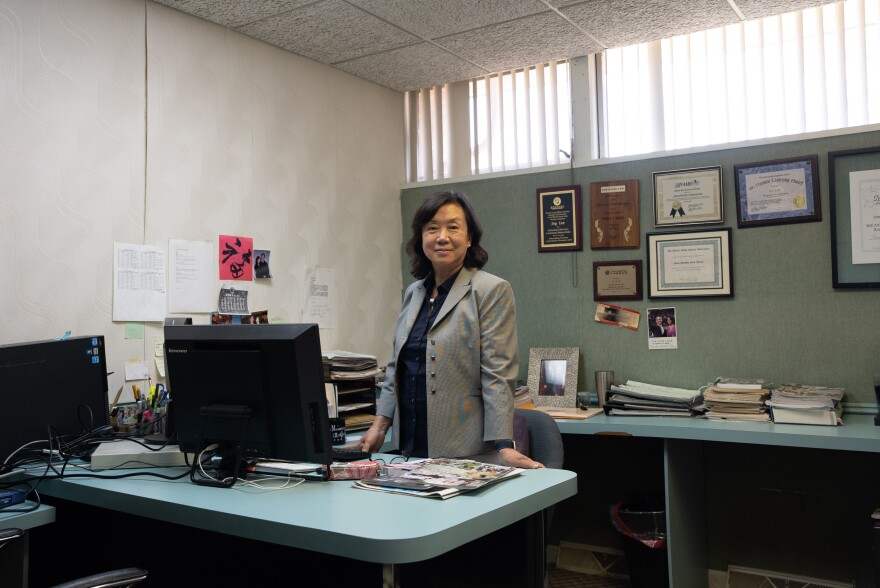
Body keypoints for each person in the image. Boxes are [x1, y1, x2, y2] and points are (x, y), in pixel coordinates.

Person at [357, 190, 543, 469]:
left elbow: (498, 374)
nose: (442, 236)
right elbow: (398, 367)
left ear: (469, 239)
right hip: (408, 448)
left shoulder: (490, 290)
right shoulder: (414, 293)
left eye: (453, 227)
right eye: (432, 228)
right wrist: (380, 426)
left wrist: (504, 445)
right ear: (421, 239)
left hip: (463, 451)